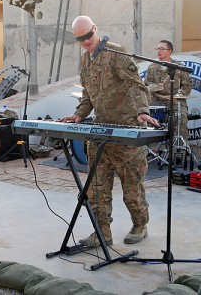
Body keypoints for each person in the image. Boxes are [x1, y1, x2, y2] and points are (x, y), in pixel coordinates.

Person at [61, 16, 160, 247]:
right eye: (80, 38)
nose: (85, 41)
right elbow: (88, 95)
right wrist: (79, 114)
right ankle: (101, 232)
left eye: (88, 35)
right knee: (97, 187)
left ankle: (140, 224)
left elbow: (136, 84)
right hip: (101, 132)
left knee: (132, 187)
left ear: (95, 29)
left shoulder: (117, 53)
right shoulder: (85, 61)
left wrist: (142, 111)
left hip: (126, 131)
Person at [145, 40, 192, 139]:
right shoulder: (152, 67)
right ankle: (151, 148)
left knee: (181, 117)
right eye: (158, 48)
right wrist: (156, 86)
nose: (159, 51)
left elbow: (187, 86)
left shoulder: (179, 67)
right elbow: (147, 84)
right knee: (147, 115)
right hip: (156, 100)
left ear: (169, 51)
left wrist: (178, 97)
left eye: (162, 49)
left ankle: (179, 146)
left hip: (175, 101)